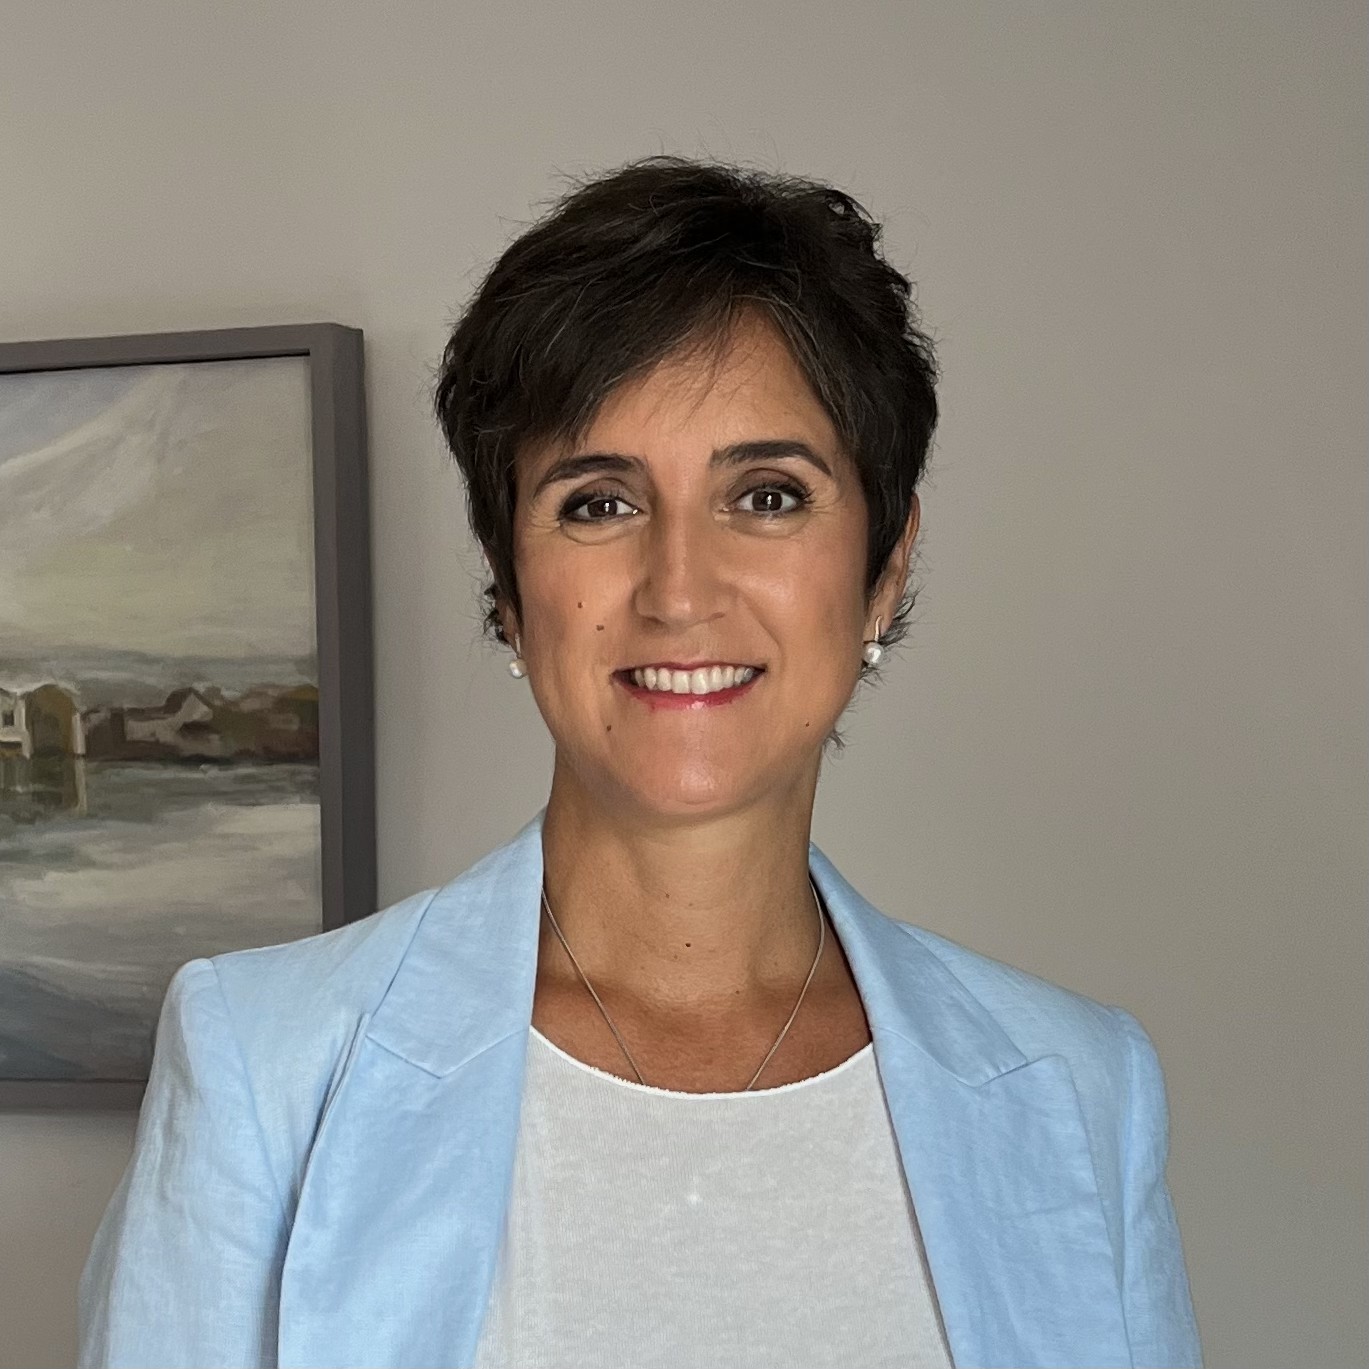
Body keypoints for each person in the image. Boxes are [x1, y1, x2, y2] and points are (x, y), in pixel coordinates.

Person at [77, 155, 1202, 1369]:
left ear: (885, 567)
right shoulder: (268, 1065)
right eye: (598, 502)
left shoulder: (1079, 1089)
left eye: (767, 495)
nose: (678, 590)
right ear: (509, 587)